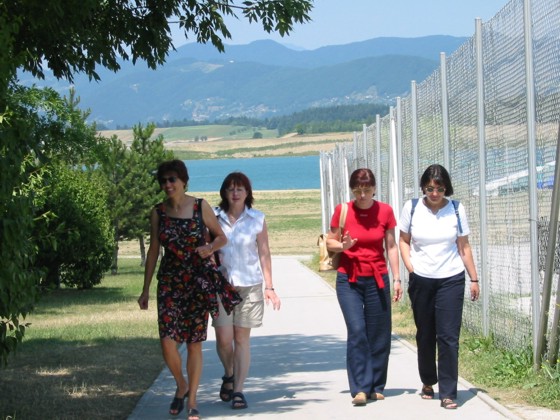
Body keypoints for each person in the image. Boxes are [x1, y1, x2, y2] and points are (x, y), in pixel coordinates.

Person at [138, 159, 241, 420]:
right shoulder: (158, 212)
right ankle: (181, 385)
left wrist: (210, 248)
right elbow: (153, 251)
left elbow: (221, 237)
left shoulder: (199, 206)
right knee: (167, 342)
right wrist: (145, 289)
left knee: (194, 344)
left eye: (172, 179)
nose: (168, 184)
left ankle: (192, 400)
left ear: (184, 181)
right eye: (163, 181)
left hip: (197, 282)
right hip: (170, 283)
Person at [398, 164, 480, 410]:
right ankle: (428, 380)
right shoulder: (412, 207)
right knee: (425, 334)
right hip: (421, 278)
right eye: (430, 188)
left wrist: (474, 278)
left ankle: (448, 392)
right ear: (423, 187)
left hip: (451, 279)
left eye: (440, 189)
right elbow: (403, 241)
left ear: (447, 189)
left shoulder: (456, 209)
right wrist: (411, 268)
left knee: (448, 337)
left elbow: (463, 246)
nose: (434, 194)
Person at [326, 168, 402, 406]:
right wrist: (343, 246)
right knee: (357, 330)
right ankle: (360, 388)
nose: (362, 196)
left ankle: (376, 386)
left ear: (374, 189)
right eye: (357, 191)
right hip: (348, 279)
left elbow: (391, 247)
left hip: (377, 277)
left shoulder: (385, 211)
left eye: (367, 191)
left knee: (379, 333)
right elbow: (329, 241)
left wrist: (397, 278)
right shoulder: (343, 210)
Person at [212, 172, 281, 410]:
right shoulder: (214, 217)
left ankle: (239, 390)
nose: (235, 193)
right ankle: (229, 373)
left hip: (249, 285)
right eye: (230, 189)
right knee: (224, 339)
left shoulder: (257, 219)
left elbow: (264, 253)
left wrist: (269, 286)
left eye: (239, 189)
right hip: (222, 286)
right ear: (224, 192)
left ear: (247, 192)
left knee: (241, 338)